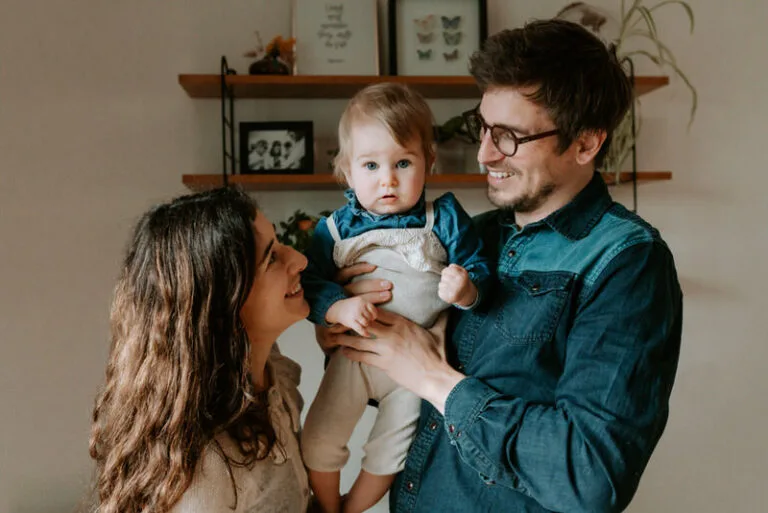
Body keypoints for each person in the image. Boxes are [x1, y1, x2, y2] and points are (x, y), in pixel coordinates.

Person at [323, 19, 684, 513]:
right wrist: (352, 334)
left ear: (585, 143)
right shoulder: (473, 237)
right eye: (484, 127)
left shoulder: (628, 263)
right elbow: (395, 388)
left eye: (510, 136)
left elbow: (589, 474)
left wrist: (432, 375)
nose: (485, 153)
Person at [300, 82, 492, 513]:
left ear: (429, 162)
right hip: (356, 353)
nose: (387, 179)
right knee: (319, 437)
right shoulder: (333, 230)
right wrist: (336, 306)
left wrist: (466, 288)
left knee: (392, 449)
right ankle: (328, 507)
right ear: (347, 170)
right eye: (370, 165)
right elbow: (308, 283)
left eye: (403, 162)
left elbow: (477, 265)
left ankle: (353, 509)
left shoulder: (442, 216)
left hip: (416, 362)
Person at [89, 187, 318, 513]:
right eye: (271, 258)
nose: (299, 259)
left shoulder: (273, 375)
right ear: (222, 305)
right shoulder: (204, 473)